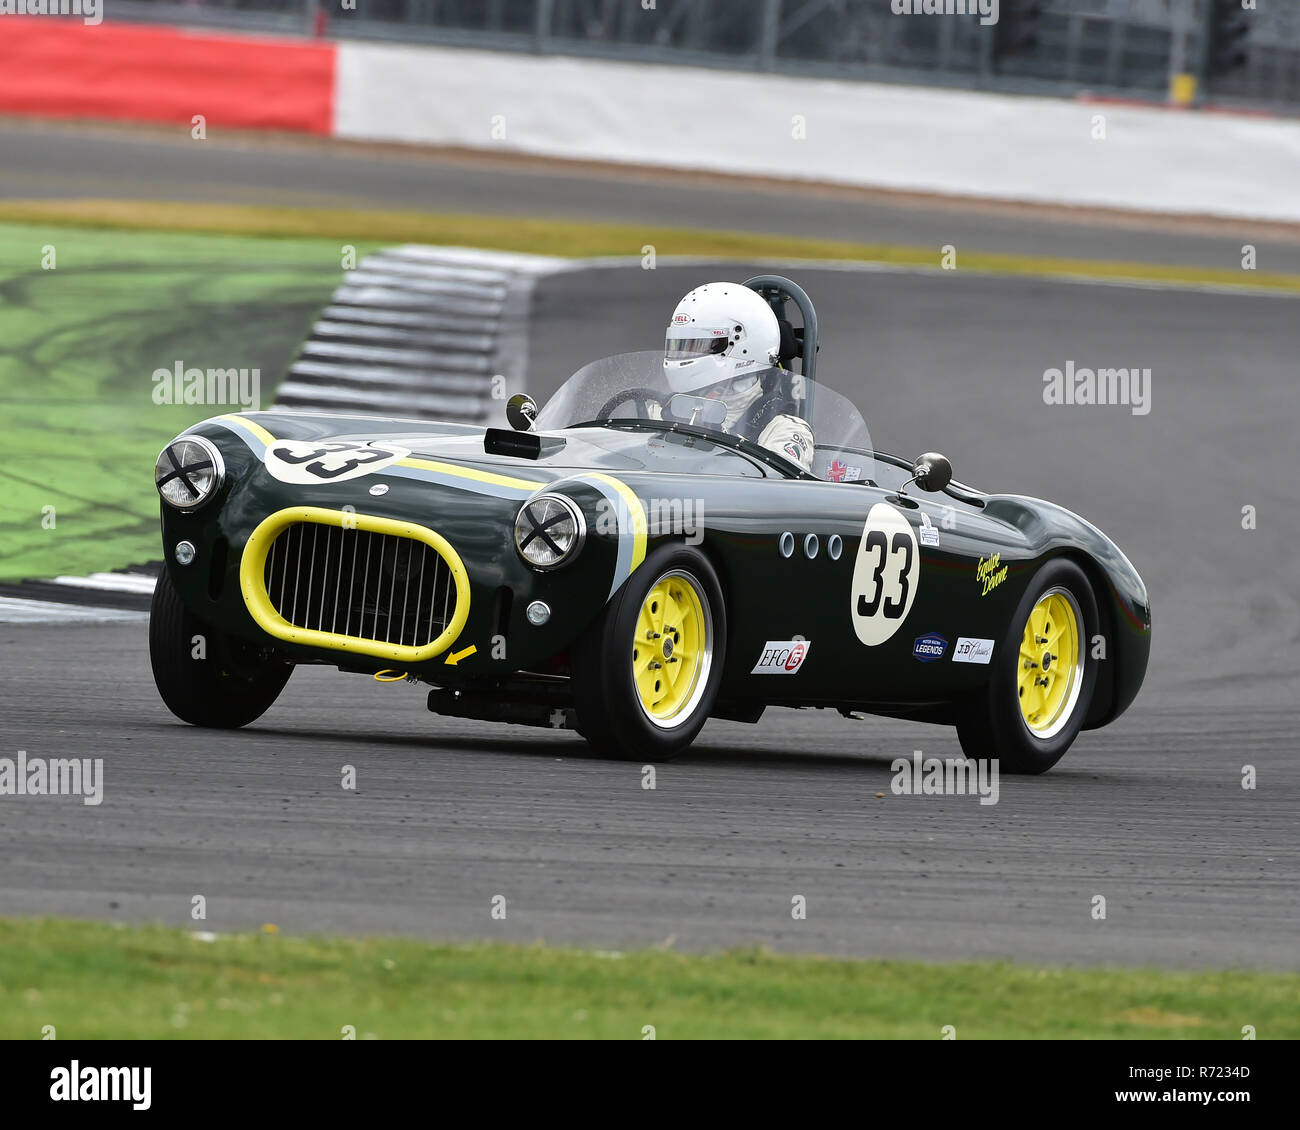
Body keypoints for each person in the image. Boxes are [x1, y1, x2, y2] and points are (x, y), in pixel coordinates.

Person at [662, 281, 815, 471]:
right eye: (679, 345)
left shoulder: (783, 430)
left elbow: (781, 494)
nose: (683, 354)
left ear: (742, 345)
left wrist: (722, 443)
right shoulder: (660, 411)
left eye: (696, 345)